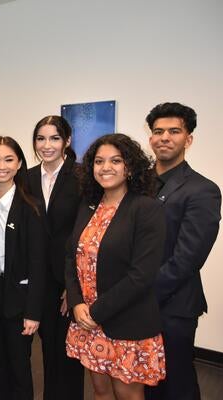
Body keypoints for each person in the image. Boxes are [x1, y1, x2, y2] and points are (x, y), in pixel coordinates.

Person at [65, 133, 166, 400]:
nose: (106, 167)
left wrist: (96, 312)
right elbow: (71, 257)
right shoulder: (89, 206)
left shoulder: (146, 209)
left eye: (115, 160)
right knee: (100, 392)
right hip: (86, 320)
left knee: (127, 394)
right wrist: (76, 303)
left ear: (129, 167)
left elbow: (141, 276)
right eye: (99, 161)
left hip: (125, 321)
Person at [144, 103, 221, 400]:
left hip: (172, 306)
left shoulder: (202, 190)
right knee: (144, 380)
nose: (164, 137)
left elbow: (187, 259)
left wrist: (141, 295)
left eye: (174, 131)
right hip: (135, 304)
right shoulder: (138, 185)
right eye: (158, 131)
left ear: (188, 139)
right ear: (150, 137)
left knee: (175, 384)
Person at [0, 136, 46, 399]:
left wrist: (33, 312)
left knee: (19, 367)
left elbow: (38, 263)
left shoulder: (30, 205)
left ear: (19, 163)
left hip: (18, 299)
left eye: (9, 159)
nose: (2, 166)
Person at [27, 115, 85, 400]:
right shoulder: (25, 178)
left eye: (54, 138)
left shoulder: (83, 177)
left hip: (69, 282)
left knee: (70, 356)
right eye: (41, 138)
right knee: (48, 351)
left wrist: (73, 288)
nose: (46, 145)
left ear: (67, 141)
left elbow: (85, 235)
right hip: (38, 281)